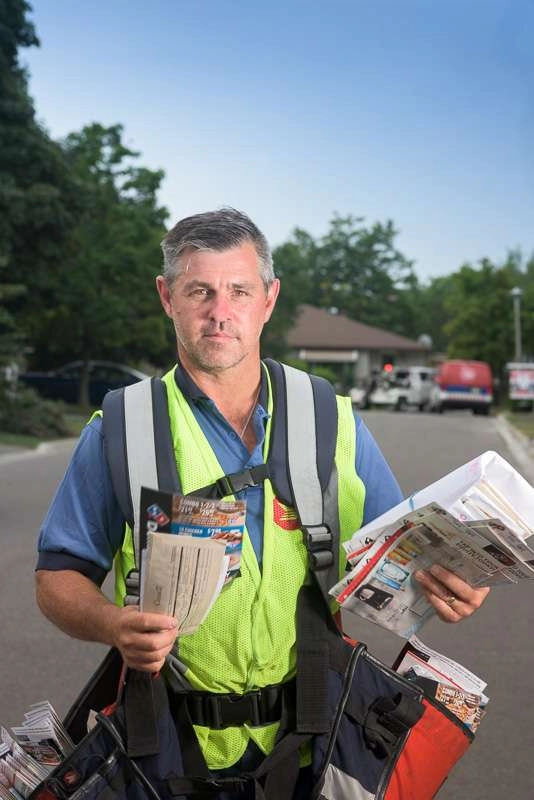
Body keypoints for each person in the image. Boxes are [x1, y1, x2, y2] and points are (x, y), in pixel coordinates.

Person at [35, 208, 489, 798]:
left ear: (268, 299)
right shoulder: (120, 427)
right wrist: (114, 624)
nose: (220, 312)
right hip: (165, 749)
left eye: (239, 291)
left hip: (312, 746)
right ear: (166, 297)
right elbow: (57, 578)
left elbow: (399, 555)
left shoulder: (332, 419)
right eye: (199, 290)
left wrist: (447, 582)